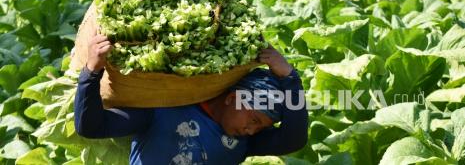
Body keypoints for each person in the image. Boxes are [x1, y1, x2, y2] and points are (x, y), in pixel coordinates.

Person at [74, 33, 308, 165]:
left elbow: (293, 140)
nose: (251, 131)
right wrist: (92, 72)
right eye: (255, 120)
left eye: (260, 128)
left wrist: (290, 79)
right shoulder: (164, 109)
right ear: (234, 98)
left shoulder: (243, 142)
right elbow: (92, 127)